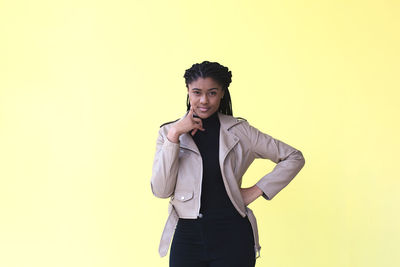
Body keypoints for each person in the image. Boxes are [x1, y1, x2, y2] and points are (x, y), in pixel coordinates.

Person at [150, 61, 305, 267]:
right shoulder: (168, 133)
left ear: (222, 92)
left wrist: (257, 190)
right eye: (197, 92)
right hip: (188, 238)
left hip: (232, 236)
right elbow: (161, 190)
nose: (204, 100)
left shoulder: (241, 132)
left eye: (212, 93)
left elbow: (293, 157)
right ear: (188, 90)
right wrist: (174, 135)